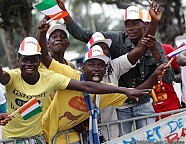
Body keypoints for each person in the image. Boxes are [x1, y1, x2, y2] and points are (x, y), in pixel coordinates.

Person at [0, 36, 149, 144]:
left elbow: (89, 87)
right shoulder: (16, 76)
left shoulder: (51, 78)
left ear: (38, 61)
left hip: (42, 138)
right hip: (22, 137)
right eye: (25, 59)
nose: (96, 69)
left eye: (101, 65)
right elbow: (0, 76)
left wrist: (127, 90)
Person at [37, 17, 168, 144]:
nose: (96, 69)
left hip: (77, 138)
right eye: (92, 64)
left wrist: (155, 75)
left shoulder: (106, 90)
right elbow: (44, 57)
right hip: (44, 134)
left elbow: (135, 91)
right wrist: (42, 32)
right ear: (83, 66)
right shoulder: (70, 73)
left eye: (101, 65)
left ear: (106, 67)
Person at [56, 0, 175, 135]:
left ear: (145, 25)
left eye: (135, 24)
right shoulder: (115, 39)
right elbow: (84, 35)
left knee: (149, 141)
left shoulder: (155, 45)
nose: (131, 28)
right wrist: (64, 13)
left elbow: (168, 78)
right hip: (121, 106)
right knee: (120, 141)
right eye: (127, 24)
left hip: (143, 103)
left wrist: (155, 53)